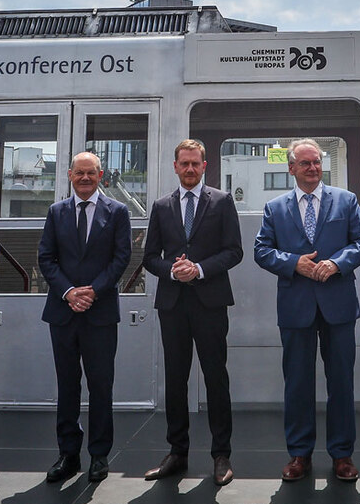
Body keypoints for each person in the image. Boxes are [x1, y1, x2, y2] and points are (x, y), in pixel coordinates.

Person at [254, 138, 360, 482]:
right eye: (305, 163)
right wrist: (295, 264)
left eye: (317, 163)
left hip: (338, 306)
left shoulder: (346, 201)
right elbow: (262, 251)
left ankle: (342, 455)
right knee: (297, 384)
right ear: (291, 168)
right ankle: (299, 455)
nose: (312, 168)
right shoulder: (275, 207)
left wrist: (336, 263)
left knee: (341, 382)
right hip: (296, 308)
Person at [141, 139, 243, 485]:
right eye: (183, 164)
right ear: (175, 166)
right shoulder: (161, 206)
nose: (189, 169)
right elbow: (150, 256)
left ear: (205, 165)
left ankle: (221, 455)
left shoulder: (222, 201)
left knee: (216, 378)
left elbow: (234, 251)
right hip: (173, 304)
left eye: (195, 164)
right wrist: (172, 269)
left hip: (210, 302)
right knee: (176, 380)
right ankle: (177, 452)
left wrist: (198, 269)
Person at [38, 150, 133, 484]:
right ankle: (68, 454)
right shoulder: (56, 212)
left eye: (91, 173)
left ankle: (99, 455)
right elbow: (46, 258)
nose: (85, 178)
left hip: (100, 312)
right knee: (67, 385)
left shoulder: (117, 212)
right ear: (69, 175)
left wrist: (92, 290)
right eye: (79, 173)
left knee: (101, 385)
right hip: (63, 312)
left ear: (101, 175)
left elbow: (122, 258)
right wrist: (69, 292)